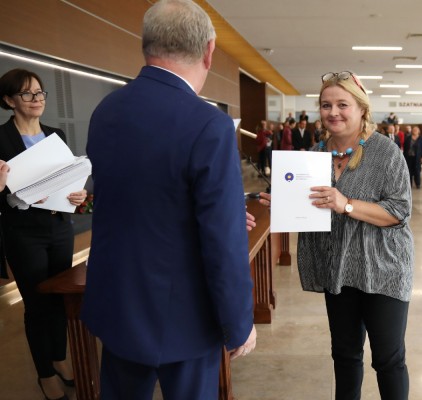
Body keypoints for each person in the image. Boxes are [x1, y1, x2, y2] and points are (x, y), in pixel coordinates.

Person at [80, 1, 256, 399]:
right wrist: (238, 321)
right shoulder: (208, 124)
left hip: (118, 302)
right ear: (209, 51)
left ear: (146, 45)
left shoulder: (106, 111)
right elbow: (223, 240)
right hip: (184, 315)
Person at [260, 70, 413, 399]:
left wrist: (346, 204)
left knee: (388, 360)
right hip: (338, 271)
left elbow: (399, 212)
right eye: (326, 105)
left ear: (361, 109)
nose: (333, 113)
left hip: (384, 270)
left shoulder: (386, 153)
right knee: (344, 356)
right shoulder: (314, 155)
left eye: (342, 104)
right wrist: (285, 203)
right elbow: (310, 207)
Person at [0, 68, 88, 400]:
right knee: (37, 304)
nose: (37, 100)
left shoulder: (56, 134)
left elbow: (67, 183)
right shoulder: (0, 139)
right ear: (9, 100)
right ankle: (45, 373)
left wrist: (78, 196)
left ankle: (60, 357)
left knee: (60, 297)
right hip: (24, 233)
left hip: (59, 229)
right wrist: (8, 194)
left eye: (40, 93)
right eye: (27, 94)